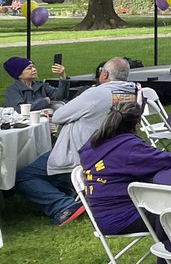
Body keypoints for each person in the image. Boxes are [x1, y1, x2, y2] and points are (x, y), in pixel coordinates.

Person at [15, 57, 138, 224]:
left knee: (23, 176)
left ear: (105, 74)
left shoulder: (96, 93)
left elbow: (58, 116)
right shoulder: (134, 92)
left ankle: (63, 206)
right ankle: (74, 194)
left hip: (83, 152)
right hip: (113, 150)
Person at [78, 103, 171, 234]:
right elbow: (165, 161)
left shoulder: (93, 143)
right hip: (124, 217)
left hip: (99, 216)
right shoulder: (129, 147)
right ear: (136, 126)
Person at [4, 55, 69, 110]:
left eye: (34, 67)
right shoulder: (12, 90)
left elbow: (60, 97)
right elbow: (20, 109)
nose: (34, 69)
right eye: (29, 68)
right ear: (19, 74)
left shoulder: (41, 85)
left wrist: (63, 76)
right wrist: (44, 101)